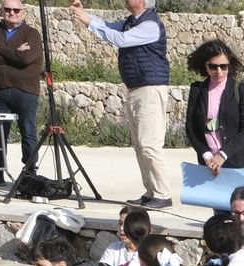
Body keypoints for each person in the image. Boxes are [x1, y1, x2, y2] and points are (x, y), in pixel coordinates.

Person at [71, 0, 172, 208]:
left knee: (150, 145)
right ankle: (151, 191)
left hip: (150, 89)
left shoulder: (150, 25)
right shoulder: (130, 22)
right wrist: (84, 15)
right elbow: (106, 27)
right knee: (139, 145)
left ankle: (163, 194)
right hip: (136, 88)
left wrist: (88, 21)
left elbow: (121, 40)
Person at [0, 0, 42, 187]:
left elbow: (25, 59)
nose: (12, 13)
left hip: (25, 92)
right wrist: (14, 52)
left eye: (16, 9)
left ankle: (29, 174)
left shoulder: (32, 34)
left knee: (28, 132)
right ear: (1, 10)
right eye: (8, 9)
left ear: (23, 12)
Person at [183, 40, 244, 184]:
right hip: (209, 164)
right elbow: (191, 127)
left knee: (239, 207)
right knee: (217, 205)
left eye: (223, 66)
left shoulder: (241, 90)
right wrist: (207, 155)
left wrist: (222, 155)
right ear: (206, 66)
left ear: (230, 65)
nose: (219, 71)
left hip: (236, 162)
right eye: (213, 67)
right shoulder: (197, 90)